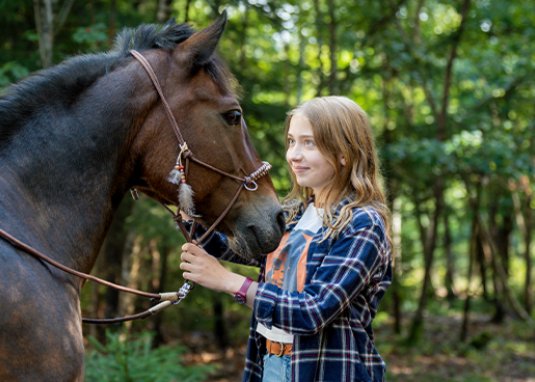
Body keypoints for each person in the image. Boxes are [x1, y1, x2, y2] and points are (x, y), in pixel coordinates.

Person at [179, 96, 392, 382]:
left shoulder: (363, 224)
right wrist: (188, 212)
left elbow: (314, 310)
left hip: (326, 371)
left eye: (309, 143)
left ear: (344, 153)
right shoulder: (293, 215)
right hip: (270, 362)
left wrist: (229, 282)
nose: (294, 154)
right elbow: (231, 247)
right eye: (292, 141)